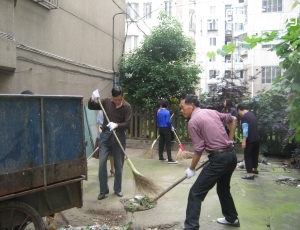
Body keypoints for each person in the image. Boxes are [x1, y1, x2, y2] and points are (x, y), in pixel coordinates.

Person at [180, 94, 239, 229]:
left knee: (196, 193)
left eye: (183, 107)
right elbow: (233, 119)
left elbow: (199, 149)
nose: (181, 110)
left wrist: (192, 168)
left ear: (192, 106)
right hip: (231, 156)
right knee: (223, 189)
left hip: (220, 160)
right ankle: (232, 218)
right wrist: (230, 140)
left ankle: (191, 227)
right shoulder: (210, 112)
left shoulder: (193, 121)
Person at [88, 86, 132, 200]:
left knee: (118, 164)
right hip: (106, 136)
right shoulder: (106, 102)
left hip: (119, 135)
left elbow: (127, 123)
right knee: (102, 164)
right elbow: (91, 106)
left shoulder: (127, 107)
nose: (117, 101)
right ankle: (103, 190)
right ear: (112, 97)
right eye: (115, 99)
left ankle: (117, 189)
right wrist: (92, 98)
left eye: (119, 99)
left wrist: (117, 125)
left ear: (122, 96)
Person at [237, 103, 260, 180]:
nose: (238, 114)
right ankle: (254, 169)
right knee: (254, 154)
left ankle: (250, 174)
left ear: (239, 109)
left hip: (250, 139)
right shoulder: (252, 115)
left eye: (238, 112)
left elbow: (245, 130)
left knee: (248, 156)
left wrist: (244, 141)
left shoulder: (244, 117)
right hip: (256, 138)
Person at [94, 110, 115, 176]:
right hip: (102, 137)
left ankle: (112, 169)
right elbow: (100, 126)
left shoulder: (114, 111)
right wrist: (102, 134)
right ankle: (103, 171)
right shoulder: (101, 112)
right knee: (103, 156)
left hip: (112, 136)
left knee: (112, 154)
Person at [156, 99, 177, 164]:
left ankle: (160, 156)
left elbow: (157, 120)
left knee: (161, 142)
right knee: (168, 143)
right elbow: (168, 121)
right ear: (167, 105)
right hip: (166, 128)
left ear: (161, 105)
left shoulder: (159, 112)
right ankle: (170, 159)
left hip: (160, 128)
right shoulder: (167, 112)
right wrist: (171, 127)